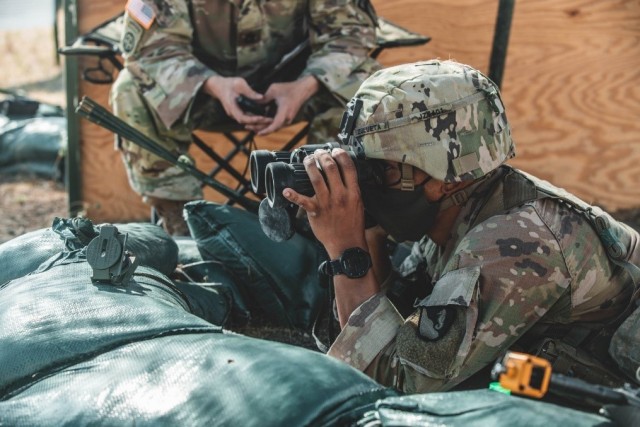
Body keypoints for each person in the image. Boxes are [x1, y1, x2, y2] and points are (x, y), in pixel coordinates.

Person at [282, 59, 640, 393]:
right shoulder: (457, 214)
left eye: (382, 169)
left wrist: (347, 252)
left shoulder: (514, 242)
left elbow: (399, 384)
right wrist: (368, 231)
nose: (364, 182)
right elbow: (397, 321)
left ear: (448, 179)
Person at [110, 0, 380, 235]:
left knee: (367, 88)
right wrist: (213, 84)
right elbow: (154, 48)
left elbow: (349, 35)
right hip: (205, 95)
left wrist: (305, 86)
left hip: (299, 87)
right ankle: (181, 225)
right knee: (131, 90)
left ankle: (330, 218)